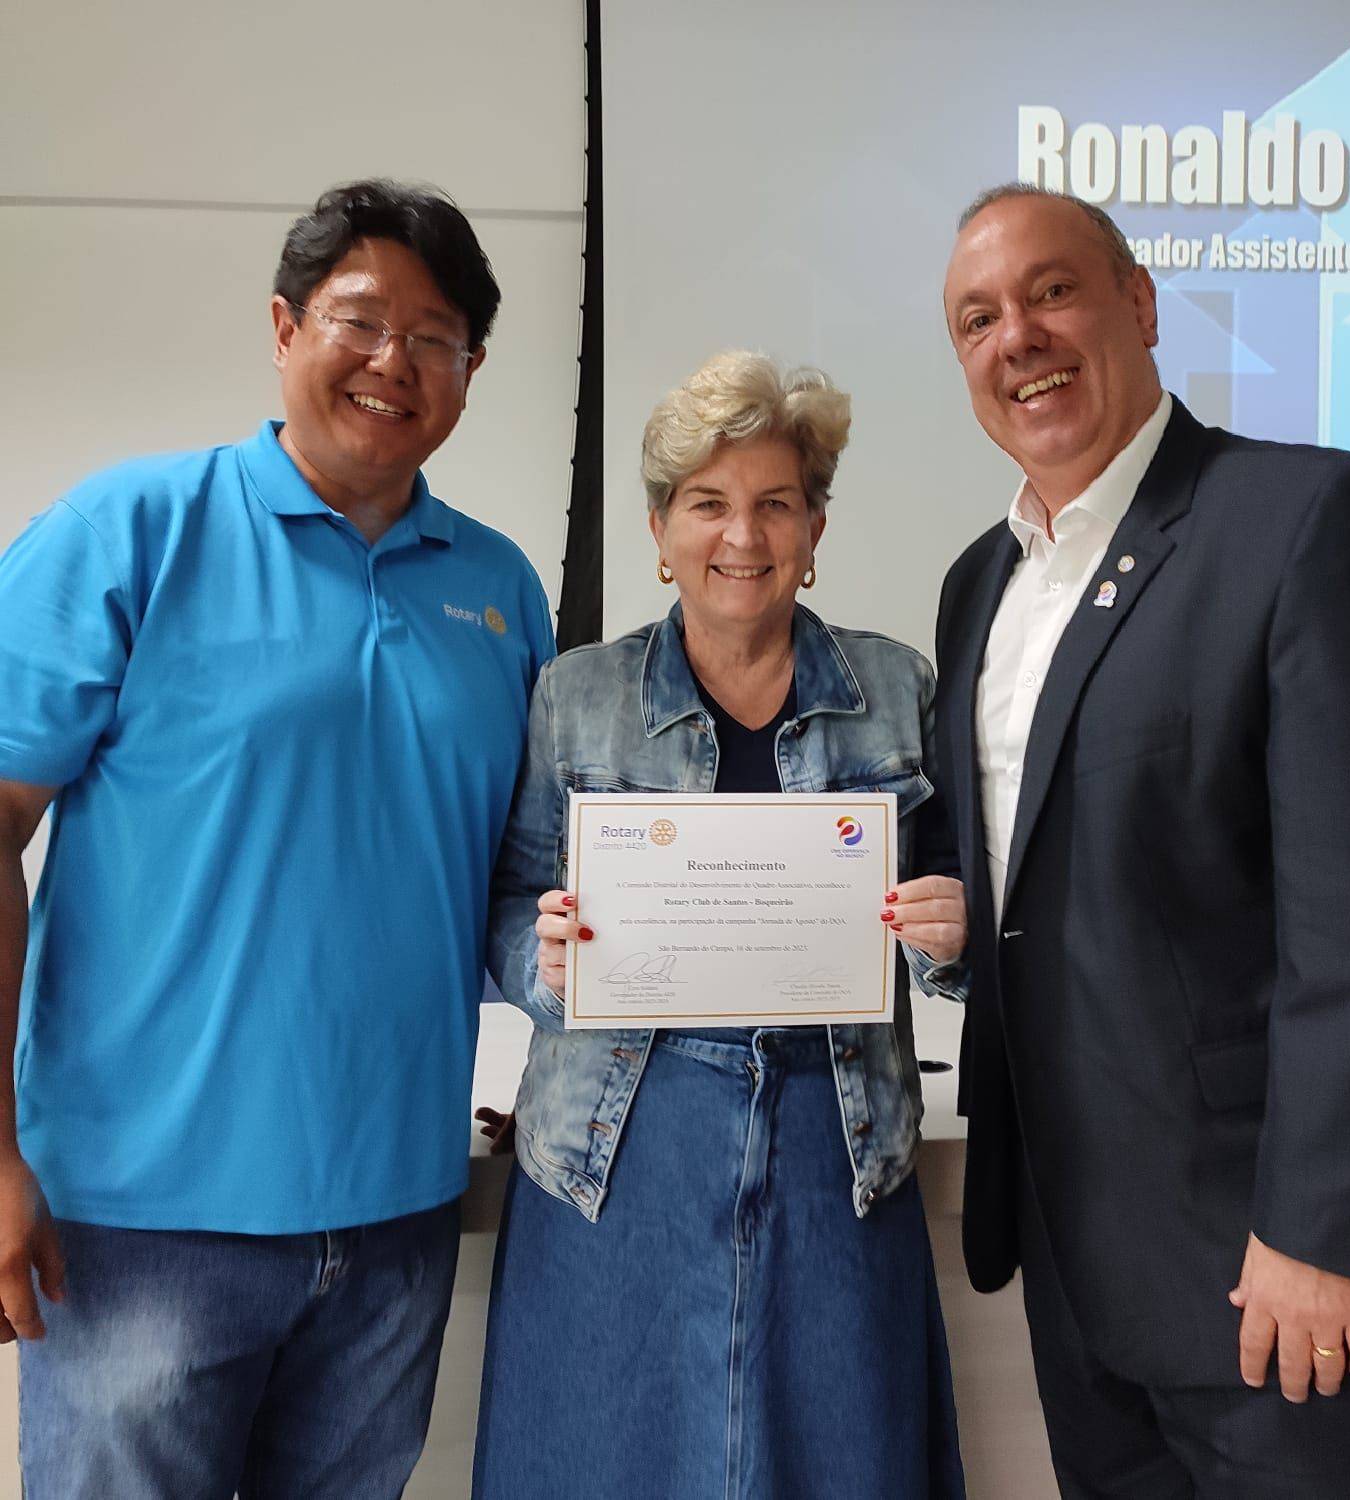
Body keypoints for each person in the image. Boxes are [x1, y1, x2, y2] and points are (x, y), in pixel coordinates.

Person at [930, 180, 1350, 1497]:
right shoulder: (980, 584)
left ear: (1139, 303)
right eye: (978, 318)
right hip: (1083, 1277)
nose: (1018, 337)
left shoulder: (1317, 520)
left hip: (1281, 1284)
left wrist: (1325, 1234)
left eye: (1052, 292)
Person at [0, 179, 555, 1497]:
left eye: (435, 338)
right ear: (284, 325)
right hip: (136, 1228)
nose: (393, 361)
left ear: (471, 371)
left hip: (398, 1220)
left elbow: (507, 885)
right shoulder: (129, 533)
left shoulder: (499, 588)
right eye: (360, 320)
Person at [473, 350, 968, 1499]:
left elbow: (961, 912)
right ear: (659, 529)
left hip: (836, 1149)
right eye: (707, 503)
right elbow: (506, 906)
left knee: (837, 1464)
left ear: (815, 529)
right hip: (612, 1156)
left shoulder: (899, 690)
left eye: (775, 504)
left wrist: (951, 937)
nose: (742, 535)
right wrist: (541, 959)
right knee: (600, 1465)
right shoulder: (575, 695)